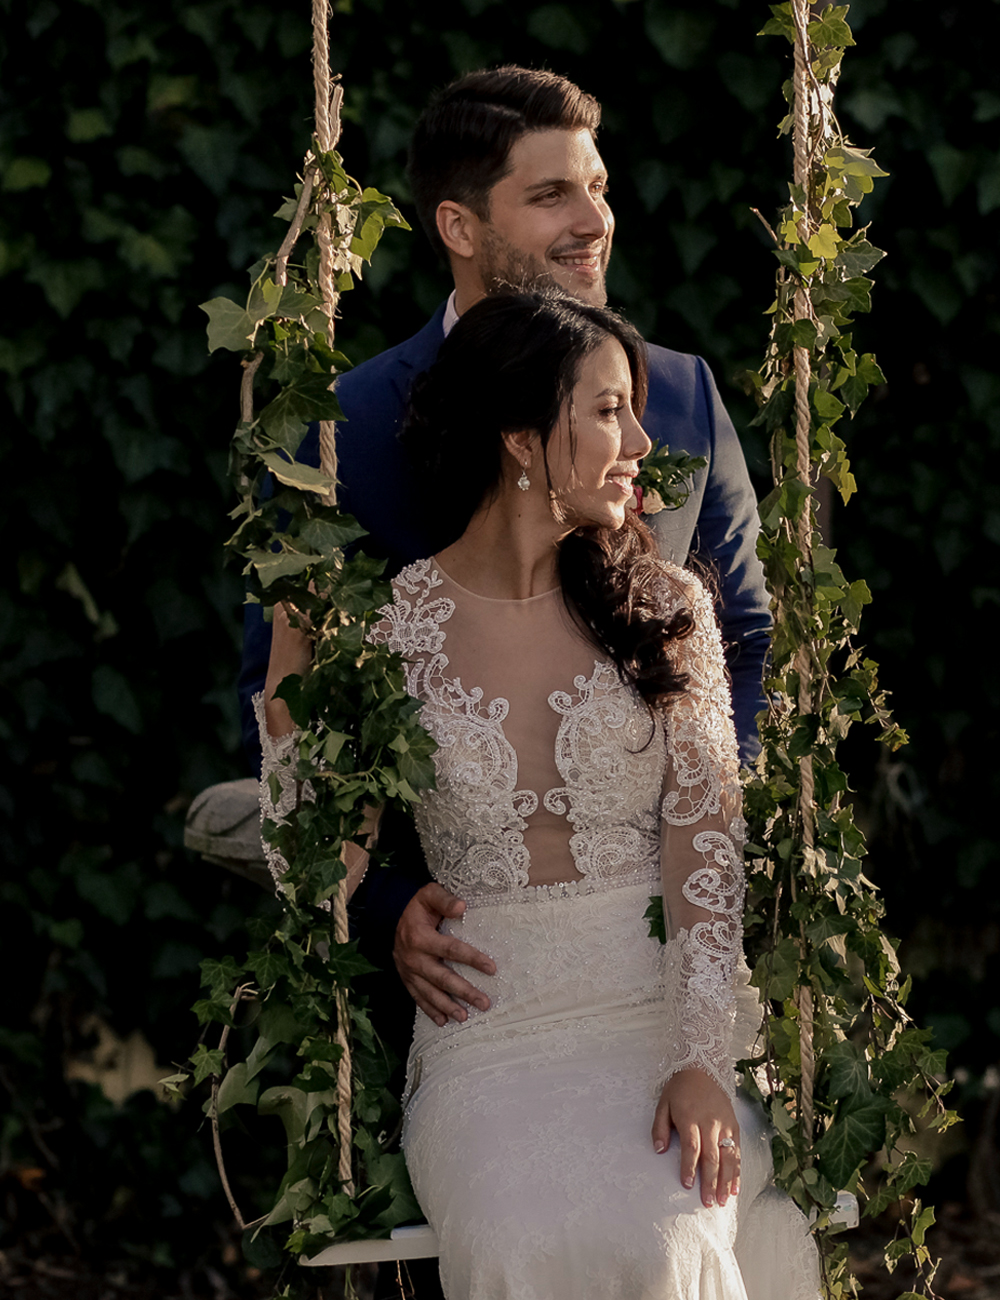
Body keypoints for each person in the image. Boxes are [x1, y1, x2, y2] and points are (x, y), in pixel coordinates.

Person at [259, 288, 818, 1299]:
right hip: (487, 1038)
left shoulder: (668, 611)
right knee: (517, 1239)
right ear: (520, 437)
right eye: (608, 411)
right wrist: (285, 688)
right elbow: (320, 867)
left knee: (664, 1240)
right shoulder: (391, 630)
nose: (643, 439)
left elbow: (705, 852)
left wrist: (700, 1058)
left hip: (655, 1022)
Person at [238, 66, 772, 1054]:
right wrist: (384, 903)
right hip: (462, 982)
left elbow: (742, 635)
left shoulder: (684, 394)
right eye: (550, 195)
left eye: (599, 188)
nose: (592, 221)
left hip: (660, 949)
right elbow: (284, 691)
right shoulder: (342, 426)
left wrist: (696, 839)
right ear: (458, 226)